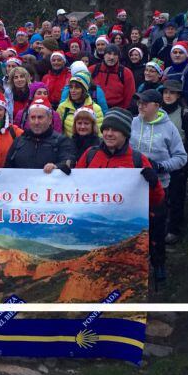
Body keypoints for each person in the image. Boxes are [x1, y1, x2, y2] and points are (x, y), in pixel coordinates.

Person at [75, 108, 165, 276]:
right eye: (106, 129)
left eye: (115, 130)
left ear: (125, 134)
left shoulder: (137, 160)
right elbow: (75, 190)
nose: (109, 134)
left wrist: (153, 183)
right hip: (91, 227)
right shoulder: (90, 155)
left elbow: (157, 200)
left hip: (123, 230)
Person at [130, 90, 187, 282]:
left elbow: (181, 157)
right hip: (133, 187)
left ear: (156, 106)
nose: (141, 106)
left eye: (145, 103)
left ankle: (159, 263)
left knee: (157, 229)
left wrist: (161, 167)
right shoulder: (133, 122)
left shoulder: (169, 128)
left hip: (159, 186)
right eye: (139, 103)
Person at [159, 80, 188, 245]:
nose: (168, 96)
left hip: (178, 162)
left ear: (178, 95)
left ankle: (174, 229)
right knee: (161, 196)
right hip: (160, 161)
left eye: (172, 93)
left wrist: (177, 152)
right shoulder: (157, 113)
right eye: (165, 92)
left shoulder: (185, 114)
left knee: (176, 195)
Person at [4, 98, 76, 173]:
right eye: (33, 117)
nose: (36, 122)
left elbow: (69, 161)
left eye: (40, 117)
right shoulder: (19, 141)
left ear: (50, 119)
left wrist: (57, 166)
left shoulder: (62, 141)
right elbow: (7, 169)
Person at [57, 72, 105, 138]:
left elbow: (99, 134)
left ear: (84, 90)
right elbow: (58, 131)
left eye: (77, 87)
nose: (73, 90)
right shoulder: (63, 107)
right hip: (69, 146)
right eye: (71, 87)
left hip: (89, 146)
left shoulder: (95, 108)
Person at [89, 43, 135, 109]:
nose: (111, 57)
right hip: (94, 108)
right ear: (104, 55)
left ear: (118, 57)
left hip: (116, 110)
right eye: (109, 54)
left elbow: (129, 97)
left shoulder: (126, 73)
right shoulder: (93, 70)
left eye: (115, 54)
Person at [162, 42, 188, 114]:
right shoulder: (167, 71)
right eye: (175, 52)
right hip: (169, 107)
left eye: (181, 53)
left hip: (187, 108)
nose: (177, 55)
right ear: (171, 55)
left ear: (186, 55)